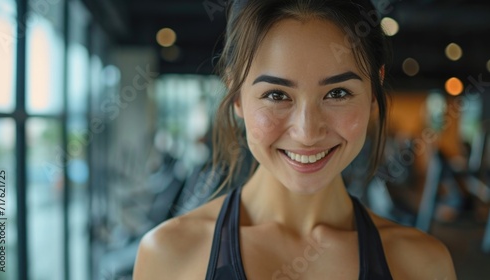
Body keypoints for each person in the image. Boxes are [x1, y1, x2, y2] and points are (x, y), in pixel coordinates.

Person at [133, 0, 457, 279]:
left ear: (374, 91)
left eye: (338, 93)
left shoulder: (423, 265)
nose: (306, 132)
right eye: (276, 95)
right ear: (236, 95)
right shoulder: (170, 256)